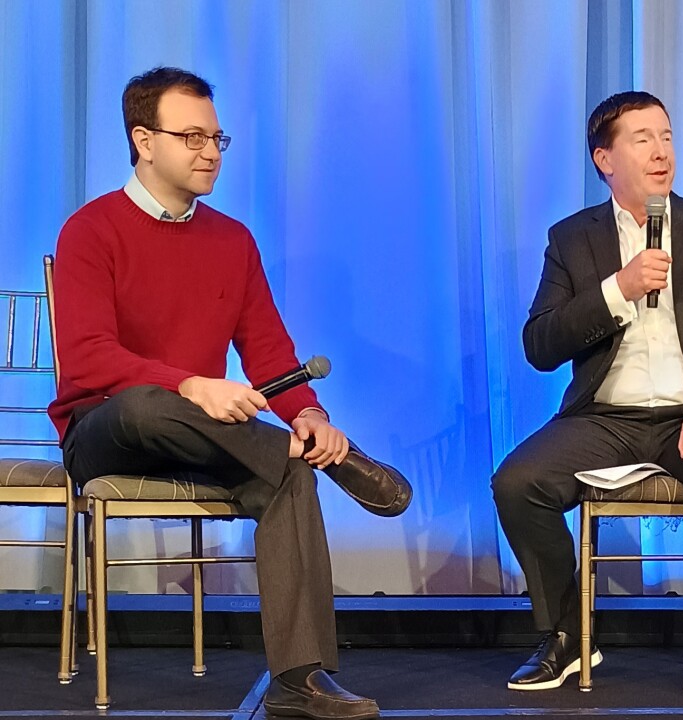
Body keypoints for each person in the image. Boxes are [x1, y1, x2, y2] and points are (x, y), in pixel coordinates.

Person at [50, 66, 412, 720]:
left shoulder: (232, 240)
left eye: (218, 138)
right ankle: (332, 459)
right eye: (192, 137)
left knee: (291, 470)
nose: (210, 151)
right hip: (108, 432)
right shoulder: (90, 229)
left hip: (209, 436)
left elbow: (271, 351)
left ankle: (298, 681)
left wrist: (310, 414)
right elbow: (87, 358)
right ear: (143, 140)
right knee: (148, 402)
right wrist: (191, 384)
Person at [491, 91, 683, 697]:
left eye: (667, 136)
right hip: (606, 417)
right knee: (516, 482)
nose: (661, 151)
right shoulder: (572, 239)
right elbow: (539, 345)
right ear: (605, 158)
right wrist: (615, 290)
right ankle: (568, 632)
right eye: (642, 138)